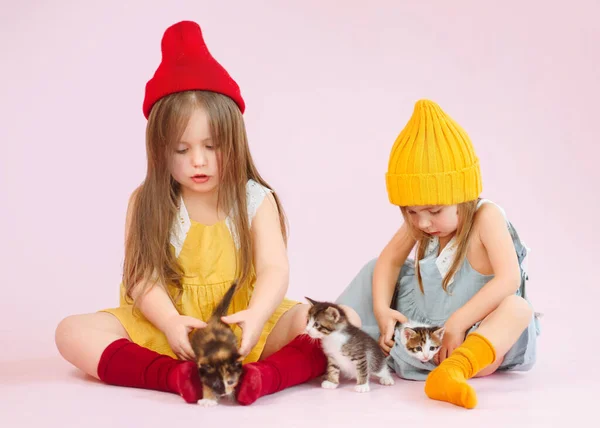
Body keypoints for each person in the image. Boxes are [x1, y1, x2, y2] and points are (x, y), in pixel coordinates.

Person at [54, 20, 359, 406]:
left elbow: (273, 269)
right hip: (169, 329)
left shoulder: (253, 199)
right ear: (159, 150)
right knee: (71, 332)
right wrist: (169, 323)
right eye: (181, 150)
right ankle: (175, 376)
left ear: (234, 140)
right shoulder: (147, 201)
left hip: (245, 323)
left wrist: (255, 316)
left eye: (211, 146)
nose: (198, 161)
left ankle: (263, 377)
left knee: (345, 319)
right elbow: (143, 278)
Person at [335, 99, 541, 409]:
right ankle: (321, 348)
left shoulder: (486, 217)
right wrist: (382, 310)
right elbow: (389, 260)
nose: (423, 222)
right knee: (374, 267)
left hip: (471, 342)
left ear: (463, 196)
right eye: (412, 212)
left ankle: (453, 372)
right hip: (421, 340)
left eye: (434, 210)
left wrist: (458, 324)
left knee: (518, 308)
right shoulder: (423, 224)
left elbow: (509, 278)